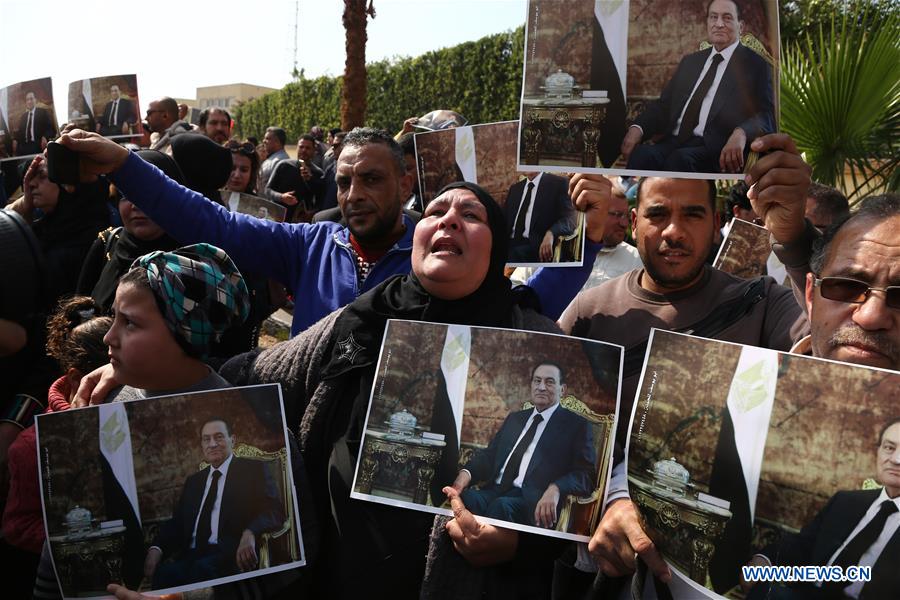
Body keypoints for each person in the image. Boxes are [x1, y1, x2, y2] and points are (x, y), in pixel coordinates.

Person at [219, 181, 576, 599]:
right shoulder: (362, 317)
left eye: (472, 215)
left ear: (497, 251)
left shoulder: (537, 342)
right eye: (434, 212)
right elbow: (253, 378)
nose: (449, 220)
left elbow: (576, 490)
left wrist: (521, 545)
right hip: (335, 575)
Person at [54, 127, 609, 340]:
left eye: (371, 179)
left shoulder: (439, 251)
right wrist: (122, 163)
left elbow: (533, 300)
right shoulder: (307, 244)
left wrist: (591, 229)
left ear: (405, 180)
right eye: (343, 182)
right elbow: (210, 220)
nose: (353, 195)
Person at [559, 134, 811, 593]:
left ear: (717, 223)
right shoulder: (588, 313)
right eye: (657, 214)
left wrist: (796, 243)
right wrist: (606, 509)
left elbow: (832, 356)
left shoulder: (762, 302)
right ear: (634, 222)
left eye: (692, 214)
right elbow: (555, 443)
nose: (673, 231)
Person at [2, 297, 111, 599]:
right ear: (77, 378)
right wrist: (77, 539)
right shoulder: (32, 446)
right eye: (110, 384)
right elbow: (16, 526)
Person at [743, 418, 900, 600]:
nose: (896, 459)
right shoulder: (847, 501)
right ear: (878, 452)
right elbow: (803, 544)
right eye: (889, 447)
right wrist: (764, 559)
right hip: (810, 595)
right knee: (765, 593)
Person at [620, 0, 775, 174]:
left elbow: (767, 114)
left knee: (679, 160)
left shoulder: (755, 65)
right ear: (707, 22)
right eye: (713, 17)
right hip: (674, 141)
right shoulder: (691, 62)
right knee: (642, 155)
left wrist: (741, 132)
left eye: (727, 18)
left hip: (715, 148)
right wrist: (637, 128)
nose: (719, 24)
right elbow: (664, 105)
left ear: (741, 26)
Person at [144, 416, 283, 589]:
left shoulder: (252, 470)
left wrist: (250, 532)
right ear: (202, 445)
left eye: (218, 437)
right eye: (206, 439)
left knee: (201, 571)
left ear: (232, 440)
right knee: (165, 574)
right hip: (191, 554)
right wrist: (156, 548)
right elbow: (178, 523)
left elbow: (274, 510)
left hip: (227, 553)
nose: (212, 444)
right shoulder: (194, 482)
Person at [451, 362, 595, 529]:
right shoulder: (515, 419)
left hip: (532, 500)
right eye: (537, 381)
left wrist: (556, 488)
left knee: (501, 506)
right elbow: (490, 455)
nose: (541, 387)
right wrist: (466, 473)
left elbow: (586, 475)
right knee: (466, 498)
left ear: (562, 389)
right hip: (496, 490)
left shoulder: (576, 425)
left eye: (549, 382)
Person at [76, 151, 183, 312]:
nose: (136, 204)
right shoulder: (108, 242)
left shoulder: (190, 258)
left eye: (148, 193)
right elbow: (79, 309)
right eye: (126, 195)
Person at [6, 155, 110, 308]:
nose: (32, 184)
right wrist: (25, 207)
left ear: (68, 185)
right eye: (31, 178)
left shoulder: (91, 234)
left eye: (42, 177)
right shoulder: (45, 228)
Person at [506, 172, 576, 262]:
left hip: (536, 246)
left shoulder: (559, 184)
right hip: (510, 242)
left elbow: (570, 220)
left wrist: (551, 233)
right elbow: (504, 219)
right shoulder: (515, 188)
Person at [263, 134, 325, 221]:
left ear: (314, 151)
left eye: (308, 148)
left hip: (301, 223)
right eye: (301, 147)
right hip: (277, 219)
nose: (304, 150)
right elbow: (268, 190)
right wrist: (282, 197)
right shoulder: (284, 165)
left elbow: (321, 200)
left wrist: (309, 180)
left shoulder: (318, 173)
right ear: (297, 148)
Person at [13, 92, 56, 156]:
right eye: (27, 100)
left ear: (35, 100)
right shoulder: (23, 116)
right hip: (24, 146)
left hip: (38, 143)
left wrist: (45, 137)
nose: (29, 101)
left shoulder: (42, 112)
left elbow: (51, 129)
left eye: (31, 99)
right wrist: (15, 139)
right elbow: (20, 132)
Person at [258, 127, 289, 193]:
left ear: (277, 142)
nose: (263, 141)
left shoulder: (280, 161)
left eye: (267, 139)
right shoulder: (272, 159)